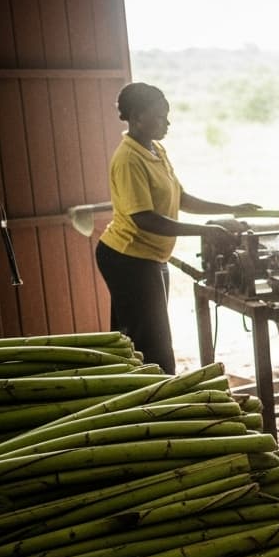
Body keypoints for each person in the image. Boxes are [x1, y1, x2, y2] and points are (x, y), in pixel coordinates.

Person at [97, 82, 256, 375]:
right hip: (128, 258)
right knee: (153, 344)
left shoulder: (156, 150)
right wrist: (205, 232)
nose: (167, 123)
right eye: (160, 117)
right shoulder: (129, 159)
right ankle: (160, 401)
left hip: (150, 257)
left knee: (134, 335)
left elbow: (181, 198)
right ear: (136, 117)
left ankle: (135, 393)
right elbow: (144, 219)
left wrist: (231, 208)